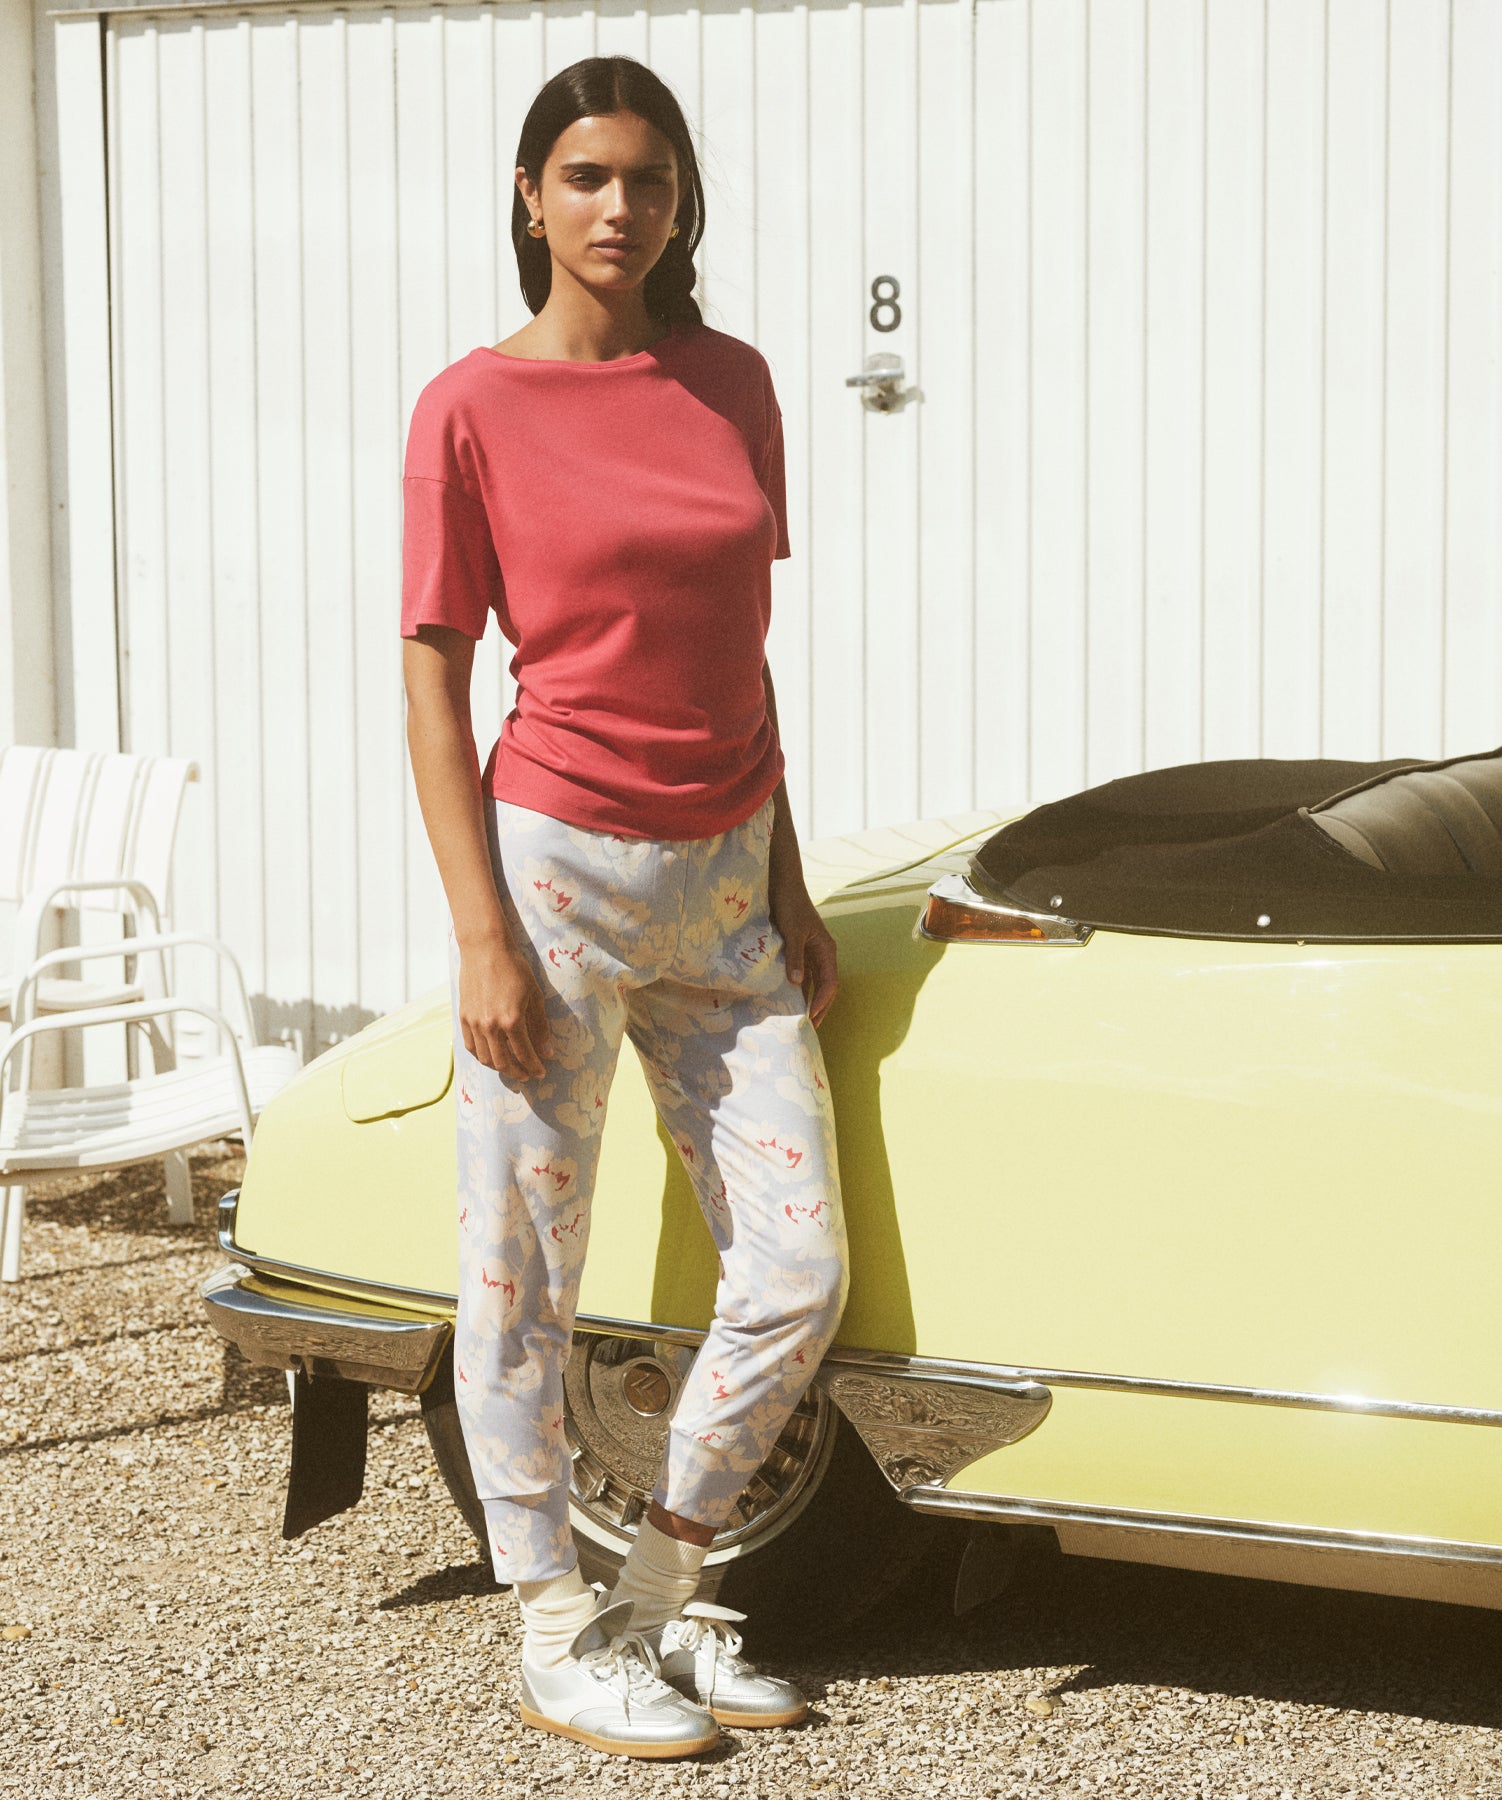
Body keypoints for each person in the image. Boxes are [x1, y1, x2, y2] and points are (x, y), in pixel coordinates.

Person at [399, 54, 849, 1761]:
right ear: (532, 198)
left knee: (797, 1267)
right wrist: (479, 932)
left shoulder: (731, 383)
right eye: (585, 177)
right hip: (559, 873)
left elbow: (736, 655)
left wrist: (789, 879)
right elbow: (434, 684)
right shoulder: (468, 408)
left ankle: (663, 1595)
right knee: (521, 1263)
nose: (618, 207)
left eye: (648, 179)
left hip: (730, 880)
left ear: (680, 203)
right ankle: (546, 1620)